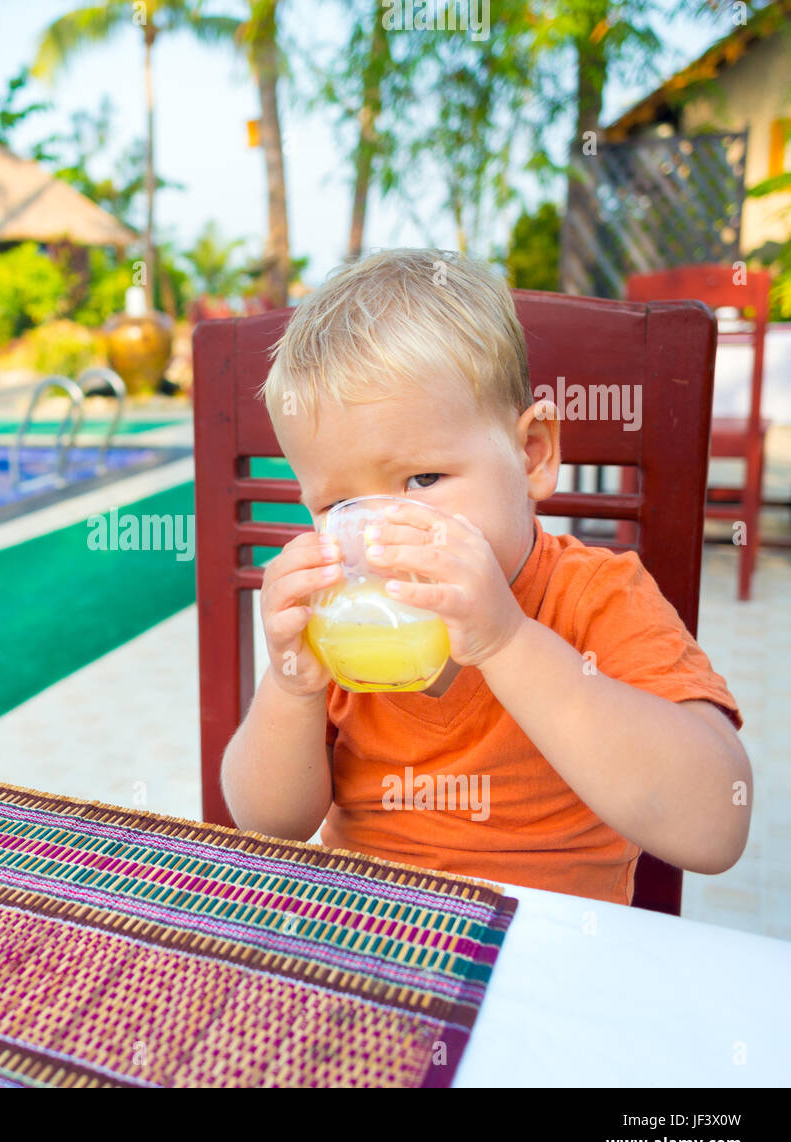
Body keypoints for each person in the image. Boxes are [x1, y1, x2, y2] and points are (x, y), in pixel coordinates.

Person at [220, 248, 751, 905]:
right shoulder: (342, 625)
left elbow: (715, 826)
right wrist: (293, 687)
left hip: (546, 950)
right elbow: (269, 824)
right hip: (367, 929)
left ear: (533, 454)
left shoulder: (596, 598)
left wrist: (505, 642)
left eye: (423, 479)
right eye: (338, 506)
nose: (383, 533)